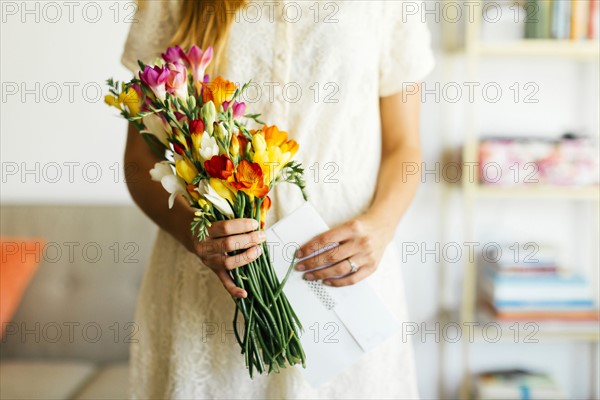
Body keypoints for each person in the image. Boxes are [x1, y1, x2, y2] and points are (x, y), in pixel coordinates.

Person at [121, 0, 434, 398]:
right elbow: (139, 160)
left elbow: (404, 147)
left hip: (345, 275)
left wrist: (382, 226)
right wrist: (195, 235)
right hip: (211, 283)